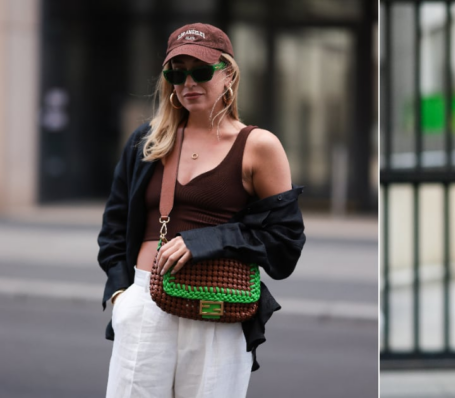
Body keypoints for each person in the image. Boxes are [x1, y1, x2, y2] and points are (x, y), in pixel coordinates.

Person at [97, 22, 305, 397]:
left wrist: (205, 239)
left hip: (217, 309)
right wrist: (121, 295)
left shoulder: (258, 146)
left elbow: (285, 245)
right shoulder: (146, 143)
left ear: (228, 74)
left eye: (201, 71)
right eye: (177, 72)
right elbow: (113, 229)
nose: (188, 82)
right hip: (144, 303)